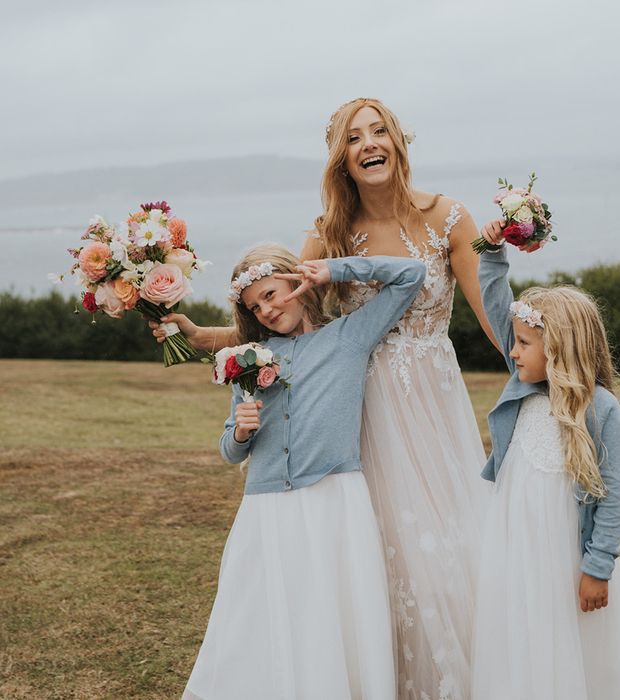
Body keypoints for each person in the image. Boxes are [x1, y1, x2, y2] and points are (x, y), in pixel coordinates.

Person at [155, 98, 497, 698]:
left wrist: (545, 367)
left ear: (398, 140)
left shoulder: (450, 216)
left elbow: (490, 314)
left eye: (378, 130)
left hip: (433, 400)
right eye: (353, 137)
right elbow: (271, 315)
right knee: (376, 556)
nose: (369, 143)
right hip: (357, 406)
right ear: (341, 158)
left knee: (451, 546)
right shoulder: (325, 231)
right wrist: (195, 335)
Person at [181, 243, 425, 700]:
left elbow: (411, 274)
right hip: (266, 509)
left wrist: (332, 270)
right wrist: (240, 434)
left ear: (297, 282)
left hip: (333, 500)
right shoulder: (248, 359)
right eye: (255, 306)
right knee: (261, 615)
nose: (268, 310)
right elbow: (229, 453)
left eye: (272, 294)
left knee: (328, 616)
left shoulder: (349, 338)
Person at [470, 220, 620, 699]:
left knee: (576, 646)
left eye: (524, 344)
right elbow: (495, 304)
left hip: (569, 558)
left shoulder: (599, 409)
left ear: (557, 347)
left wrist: (598, 567)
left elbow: (614, 492)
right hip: (516, 549)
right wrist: (491, 251)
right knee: (522, 637)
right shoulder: (524, 385)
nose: (513, 351)